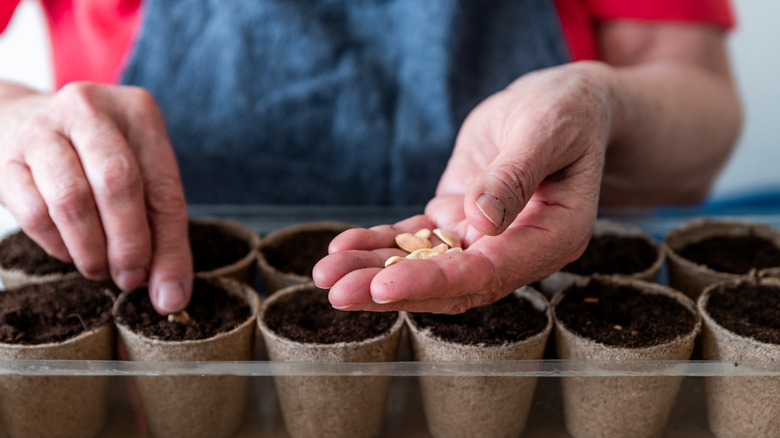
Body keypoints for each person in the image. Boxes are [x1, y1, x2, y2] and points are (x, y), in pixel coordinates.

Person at [0, 0, 741, 314]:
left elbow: (700, 103)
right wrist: (16, 116)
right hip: (162, 309)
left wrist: (602, 101)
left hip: (545, 303)